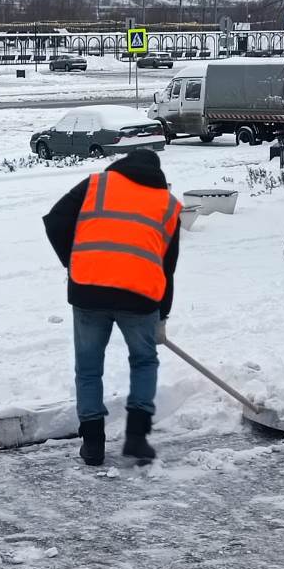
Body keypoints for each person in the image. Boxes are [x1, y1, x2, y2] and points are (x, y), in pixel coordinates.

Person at [43, 149, 181, 466]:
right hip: (140, 297)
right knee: (144, 363)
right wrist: (163, 315)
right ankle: (136, 438)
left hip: (89, 291)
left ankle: (92, 445)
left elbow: (55, 221)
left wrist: (75, 263)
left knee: (88, 369)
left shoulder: (97, 184)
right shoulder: (168, 204)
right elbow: (168, 266)